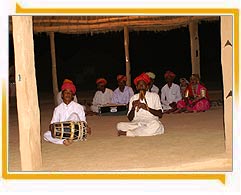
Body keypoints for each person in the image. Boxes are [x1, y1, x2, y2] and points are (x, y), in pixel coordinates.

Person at [44, 81, 91, 146]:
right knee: (46, 134)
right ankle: (63, 141)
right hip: (62, 133)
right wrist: (51, 127)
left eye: (70, 93)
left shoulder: (79, 107)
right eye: (66, 92)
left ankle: (68, 138)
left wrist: (86, 128)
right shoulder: (57, 109)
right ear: (62, 95)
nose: (68, 94)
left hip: (75, 133)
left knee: (74, 115)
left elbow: (83, 122)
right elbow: (53, 124)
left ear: (73, 96)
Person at [117, 72, 164, 137]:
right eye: (139, 84)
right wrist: (133, 108)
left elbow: (160, 114)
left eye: (143, 84)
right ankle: (140, 131)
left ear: (147, 86)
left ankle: (129, 133)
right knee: (120, 125)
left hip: (150, 121)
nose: (141, 86)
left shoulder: (154, 96)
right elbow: (130, 119)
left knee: (156, 125)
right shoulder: (133, 98)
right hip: (137, 122)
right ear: (136, 87)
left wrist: (147, 108)